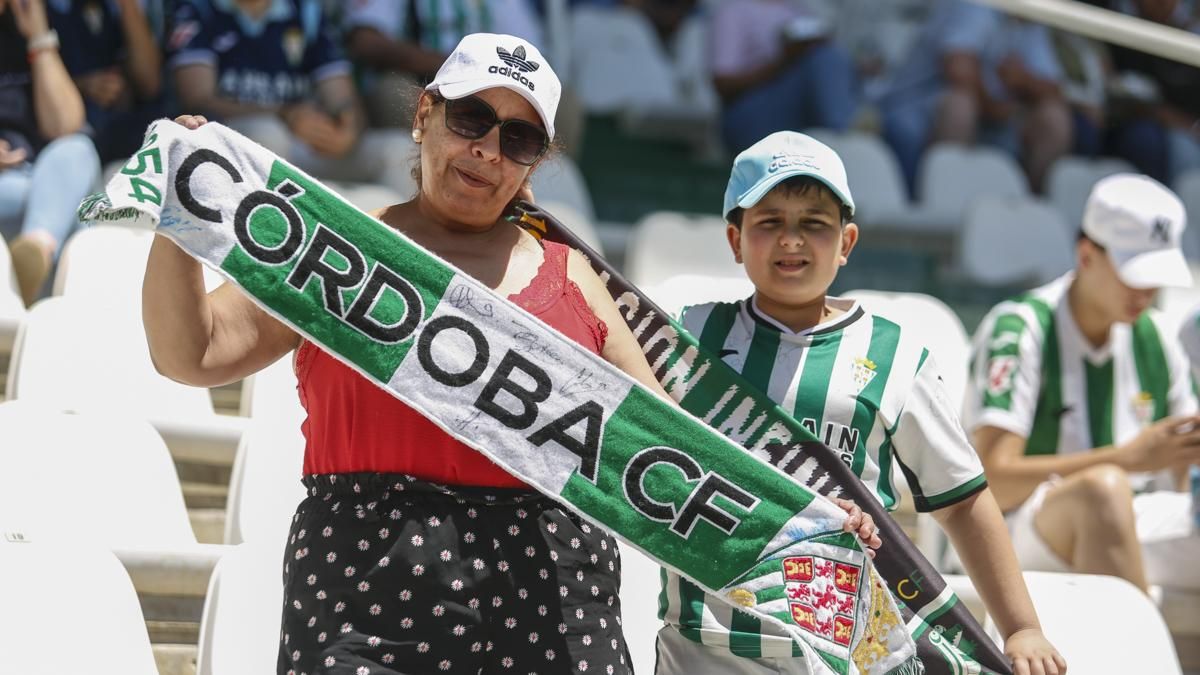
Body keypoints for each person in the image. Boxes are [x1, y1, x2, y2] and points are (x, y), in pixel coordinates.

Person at [144, 33, 880, 674]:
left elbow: (664, 443)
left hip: (551, 581)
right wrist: (179, 214)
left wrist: (808, 516)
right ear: (424, 114)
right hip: (364, 572)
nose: (488, 151)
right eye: (471, 119)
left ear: (536, 162)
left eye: (519, 140)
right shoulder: (333, 245)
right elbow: (193, 353)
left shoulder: (575, 278)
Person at [656, 131, 1066, 675]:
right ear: (735, 240)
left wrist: (1021, 627)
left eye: (814, 224)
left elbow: (963, 501)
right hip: (704, 648)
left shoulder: (895, 356)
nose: (792, 240)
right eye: (770, 222)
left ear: (847, 242)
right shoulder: (688, 335)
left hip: (842, 653)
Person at [964, 173, 1200, 596]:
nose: (1145, 291)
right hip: (1016, 528)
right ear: (1087, 254)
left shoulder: (1159, 336)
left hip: (1131, 515)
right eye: (1133, 273)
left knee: (1110, 496)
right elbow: (992, 482)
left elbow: (1184, 470)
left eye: (1154, 275)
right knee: (1103, 490)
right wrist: (1127, 459)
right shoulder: (1021, 327)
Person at [167, 0, 412, 191]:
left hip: (308, 144)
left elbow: (343, 99)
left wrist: (348, 130)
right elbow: (197, 98)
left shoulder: (306, 11)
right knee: (267, 133)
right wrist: (285, 114)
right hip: (240, 146)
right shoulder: (198, 8)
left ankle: (405, 253)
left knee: (397, 149)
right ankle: (268, 238)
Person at [879, 0, 1072, 193]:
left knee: (1053, 118)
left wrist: (1023, 79)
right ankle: (944, 199)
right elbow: (957, 69)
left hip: (992, 121)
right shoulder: (976, 4)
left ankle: (1030, 209)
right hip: (913, 110)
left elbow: (1054, 91)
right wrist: (995, 107)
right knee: (959, 106)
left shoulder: (1031, 18)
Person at [0, 0, 100, 306]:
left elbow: (66, 124)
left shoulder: (24, 25)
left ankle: (37, 246)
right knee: (76, 211)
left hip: (42, 176)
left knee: (77, 149)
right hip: (13, 188)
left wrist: (39, 37)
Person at [343, 0, 545, 128]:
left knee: (557, 101)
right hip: (420, 82)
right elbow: (366, 41)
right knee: (392, 90)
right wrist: (452, 66)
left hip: (484, 86)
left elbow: (528, 53)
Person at [707, 0, 858, 156]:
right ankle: (844, 137)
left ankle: (844, 132)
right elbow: (723, 84)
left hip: (796, 120)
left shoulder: (799, 12)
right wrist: (784, 60)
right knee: (826, 58)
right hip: (749, 119)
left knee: (830, 56)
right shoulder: (735, 11)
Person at [48, 0, 165, 163]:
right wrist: (82, 86)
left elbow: (149, 83)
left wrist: (128, 6)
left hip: (121, 126)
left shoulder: (113, 8)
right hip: (72, 135)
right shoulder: (47, 10)